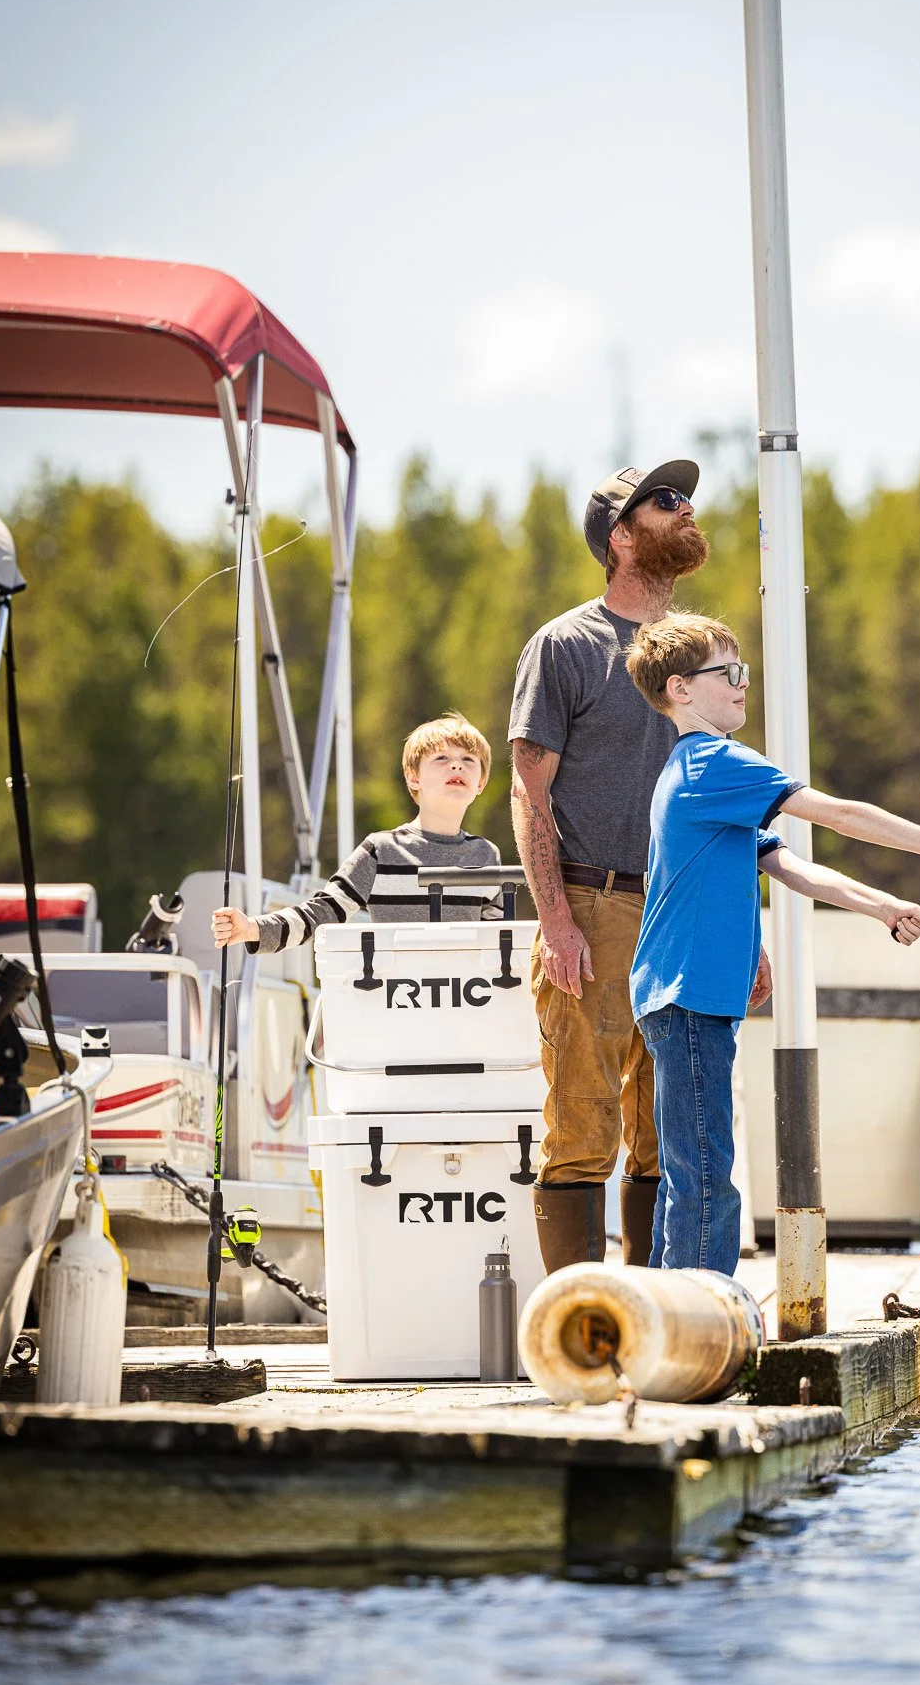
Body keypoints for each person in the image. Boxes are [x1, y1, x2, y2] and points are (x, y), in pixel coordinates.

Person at [624, 612, 920, 1276]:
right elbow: (839, 814)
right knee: (704, 1177)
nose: (742, 684)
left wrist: (883, 906)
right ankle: (701, 1319)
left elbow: (787, 866)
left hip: (689, 994)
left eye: (743, 671)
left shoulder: (699, 773)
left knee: (693, 1172)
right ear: (680, 690)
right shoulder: (714, 762)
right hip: (687, 994)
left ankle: (680, 1317)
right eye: (728, 672)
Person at [509, 460, 768, 1273]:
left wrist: (746, 931)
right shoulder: (566, 645)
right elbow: (529, 792)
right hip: (595, 904)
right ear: (621, 538)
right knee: (584, 1128)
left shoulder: (696, 656)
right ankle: (584, 1332)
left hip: (686, 917)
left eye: (686, 497)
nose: (686, 508)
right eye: (666, 501)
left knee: (671, 1130)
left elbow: (723, 805)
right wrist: (557, 921)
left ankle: (661, 1314)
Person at [211, 711, 500, 954]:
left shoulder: (486, 855)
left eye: (469, 759)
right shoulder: (381, 850)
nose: (456, 764)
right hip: (396, 1004)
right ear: (413, 778)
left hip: (465, 1007)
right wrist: (252, 929)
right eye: (441, 758)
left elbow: (500, 940)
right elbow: (324, 913)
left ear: (481, 783)